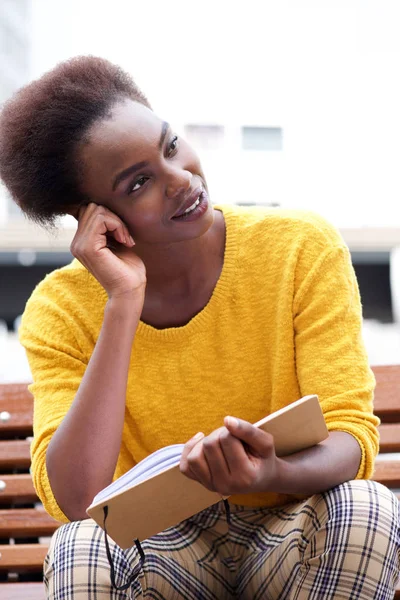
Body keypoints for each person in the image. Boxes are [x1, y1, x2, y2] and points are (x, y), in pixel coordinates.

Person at [0, 56, 398, 600]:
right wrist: (122, 300)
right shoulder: (61, 309)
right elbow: (78, 498)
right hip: (162, 550)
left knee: (367, 507)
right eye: (139, 182)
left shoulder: (300, 247)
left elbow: (351, 435)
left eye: (169, 146)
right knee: (81, 548)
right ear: (93, 215)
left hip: (290, 529)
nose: (182, 179)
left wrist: (267, 474)